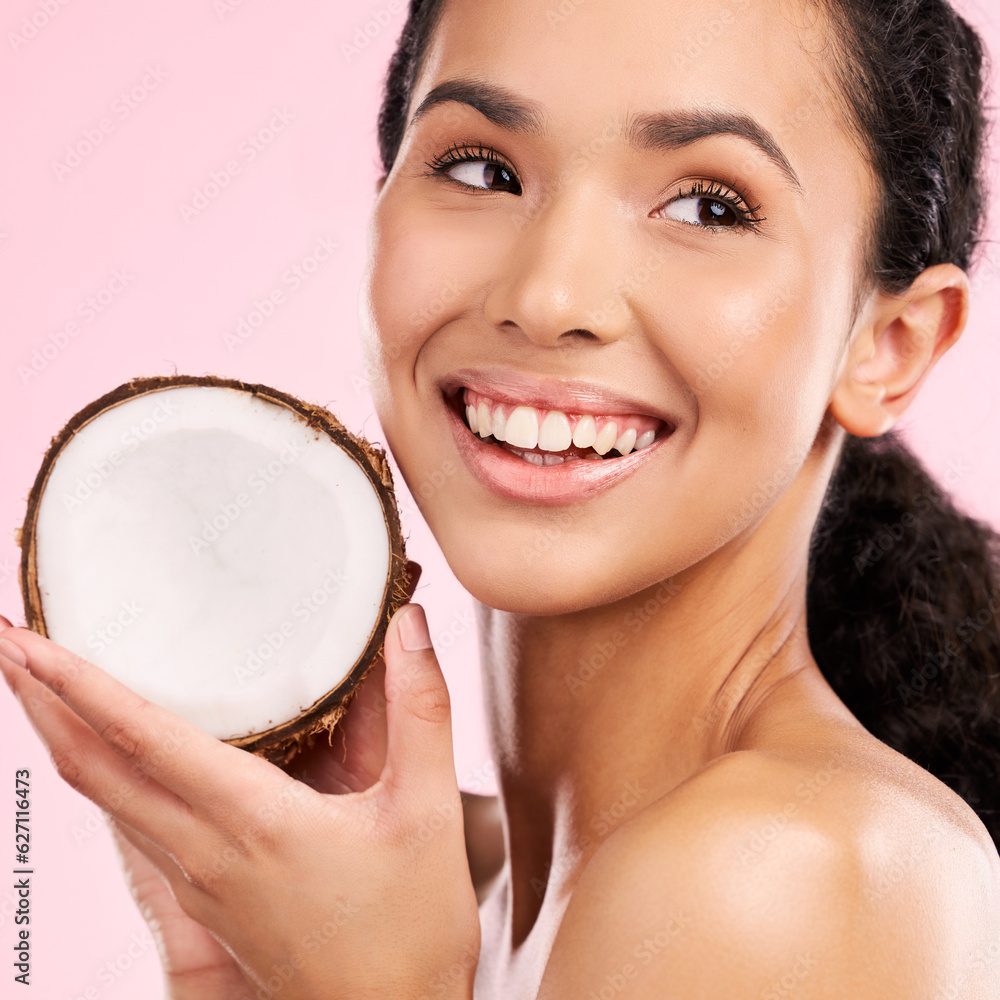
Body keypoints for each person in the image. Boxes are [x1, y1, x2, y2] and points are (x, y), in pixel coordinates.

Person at [1, 0, 999, 996]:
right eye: (480, 169)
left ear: (889, 344)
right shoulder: (418, 900)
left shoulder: (790, 873)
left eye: (708, 205)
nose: (549, 294)